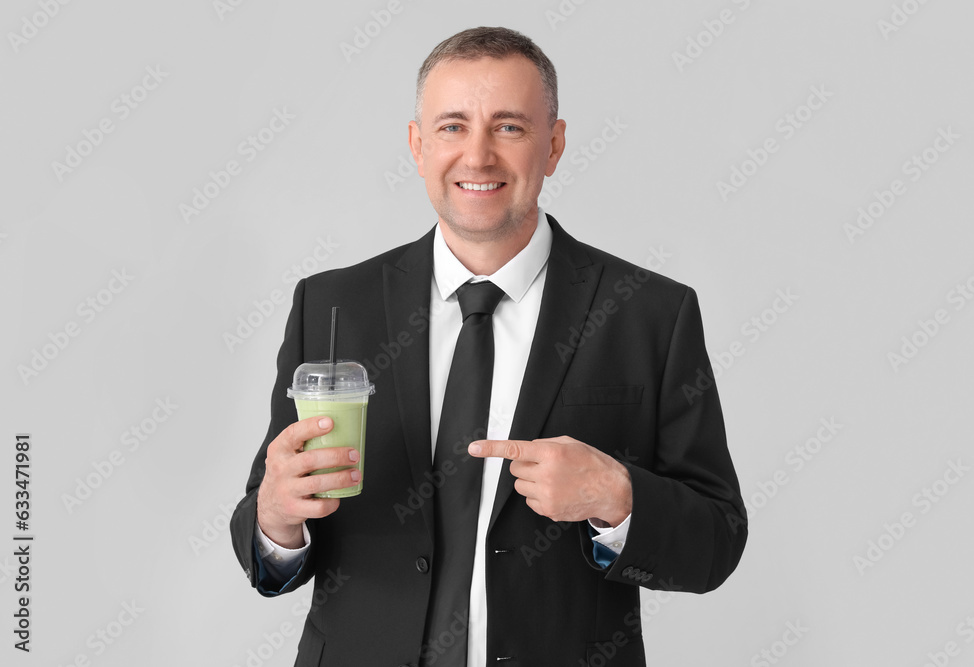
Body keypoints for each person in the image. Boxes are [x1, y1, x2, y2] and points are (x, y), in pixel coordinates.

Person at [231, 26, 747, 667]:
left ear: (554, 146)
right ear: (418, 147)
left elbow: (718, 540)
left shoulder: (650, 314)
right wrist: (275, 517)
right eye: (452, 127)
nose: (477, 157)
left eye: (508, 127)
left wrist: (619, 497)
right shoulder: (330, 305)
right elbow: (265, 554)